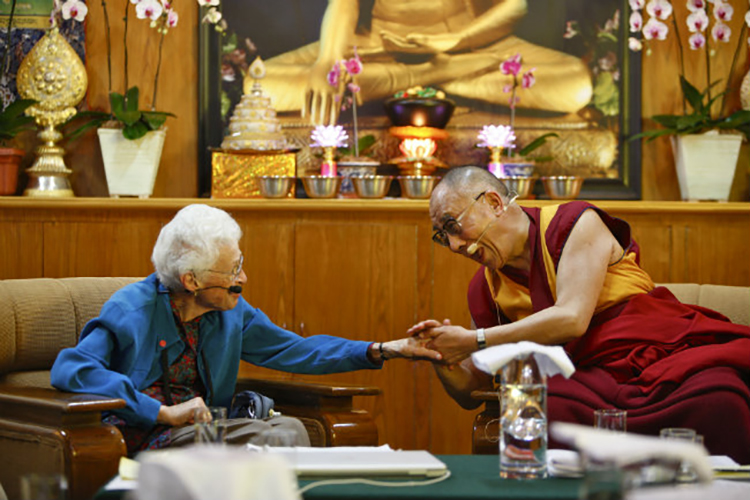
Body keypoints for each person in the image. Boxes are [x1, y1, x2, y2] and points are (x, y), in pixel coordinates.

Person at [408, 166, 750, 462]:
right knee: (541, 406)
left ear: (494, 203)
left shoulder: (574, 224)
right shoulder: (486, 288)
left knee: (719, 398)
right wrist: (442, 357)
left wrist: (474, 340)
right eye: (443, 237)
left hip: (662, 355)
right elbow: (473, 390)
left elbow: (572, 318)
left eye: (454, 226)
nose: (454, 246)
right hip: (586, 376)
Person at [50, 204, 440, 455]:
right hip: (146, 435)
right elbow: (72, 369)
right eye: (233, 272)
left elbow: (298, 351)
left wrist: (383, 349)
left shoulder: (231, 313)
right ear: (192, 280)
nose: (245, 278)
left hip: (206, 429)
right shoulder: (131, 308)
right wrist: (163, 412)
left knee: (288, 428)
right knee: (271, 438)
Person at [249, 0, 592, 124]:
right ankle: (431, 73)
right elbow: (344, 3)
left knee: (575, 84)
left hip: (469, 41)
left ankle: (405, 77)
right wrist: (328, 60)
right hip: (379, 41)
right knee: (258, 84)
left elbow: (514, 6)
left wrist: (452, 42)